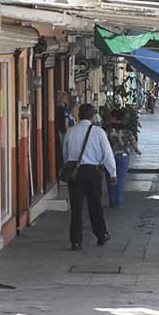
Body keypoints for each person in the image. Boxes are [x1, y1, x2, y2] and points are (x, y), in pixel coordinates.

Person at [62, 103, 117, 251]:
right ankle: (101, 235)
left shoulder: (70, 132)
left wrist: (70, 168)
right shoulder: (99, 132)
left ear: (79, 115)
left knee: (76, 208)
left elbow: (65, 154)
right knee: (95, 205)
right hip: (92, 172)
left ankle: (76, 241)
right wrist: (112, 174)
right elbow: (107, 154)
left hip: (75, 172)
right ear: (93, 116)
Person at [105, 109, 141, 208]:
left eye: (111, 117)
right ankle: (118, 202)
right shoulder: (127, 129)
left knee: (110, 178)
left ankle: (112, 201)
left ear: (114, 118)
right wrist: (137, 150)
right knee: (120, 179)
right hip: (123, 156)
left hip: (109, 157)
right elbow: (133, 141)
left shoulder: (107, 129)